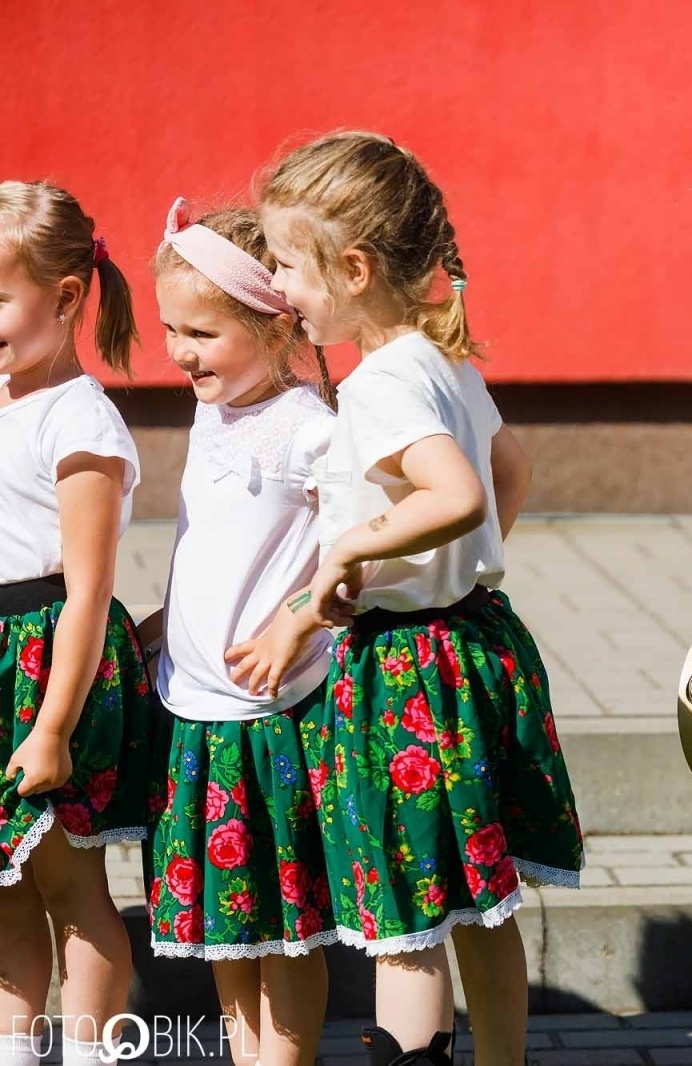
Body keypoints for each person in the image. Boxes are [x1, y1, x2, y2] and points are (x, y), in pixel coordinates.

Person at [231, 131, 583, 1066]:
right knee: (481, 900)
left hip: (406, 672)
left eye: (289, 267)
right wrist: (453, 559)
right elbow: (508, 473)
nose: (279, 287)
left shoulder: (383, 381)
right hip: (473, 643)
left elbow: (458, 493)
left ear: (352, 269)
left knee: (407, 917)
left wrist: (355, 549)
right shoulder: (442, 356)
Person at [143, 198, 338, 1065]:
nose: (180, 352)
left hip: (269, 718)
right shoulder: (213, 412)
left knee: (282, 924)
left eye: (201, 334)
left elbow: (359, 550)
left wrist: (295, 622)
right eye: (171, 331)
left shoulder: (310, 429)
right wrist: (164, 621)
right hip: (195, 710)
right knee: (225, 924)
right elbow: (215, 542)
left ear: (272, 321)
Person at [0, 181, 154, 1066]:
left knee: (68, 886)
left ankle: (94, 1054)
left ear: (64, 299)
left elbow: (87, 593)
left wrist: (53, 725)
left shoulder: (79, 422)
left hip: (48, 666)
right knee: (7, 890)